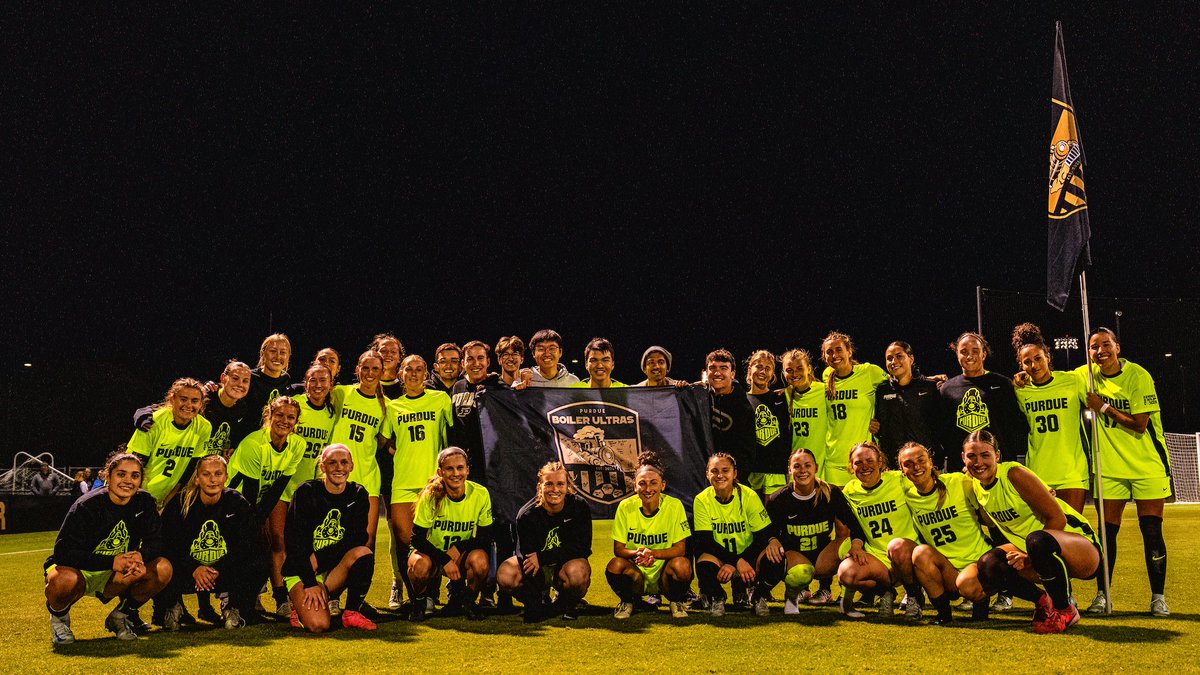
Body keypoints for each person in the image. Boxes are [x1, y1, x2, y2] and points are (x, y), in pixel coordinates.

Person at [963, 431, 1100, 633]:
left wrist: (1030, 557)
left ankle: (1065, 609)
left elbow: (1058, 518)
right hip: (1035, 548)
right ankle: (1043, 602)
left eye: (985, 455)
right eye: (971, 456)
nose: (978, 462)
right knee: (989, 564)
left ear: (997, 456)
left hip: (1079, 546)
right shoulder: (975, 483)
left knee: (1037, 541)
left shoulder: (1013, 474)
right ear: (963, 458)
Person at [1077, 327, 1171, 616]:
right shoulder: (1085, 376)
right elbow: (1052, 379)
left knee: (1151, 531)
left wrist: (1103, 407)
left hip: (1147, 465)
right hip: (1109, 468)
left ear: (1117, 347)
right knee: (1106, 534)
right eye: (1094, 346)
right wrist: (1023, 379)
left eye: (1106, 344)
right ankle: (1103, 595)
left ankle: (1158, 597)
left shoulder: (1138, 376)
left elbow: (1140, 425)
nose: (1100, 351)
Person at [43, 453, 173, 643]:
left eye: (135, 476)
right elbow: (63, 552)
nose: (128, 481)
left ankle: (120, 616)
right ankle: (59, 619)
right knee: (64, 580)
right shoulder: (87, 505)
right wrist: (111, 561)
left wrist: (141, 555)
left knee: (163, 568)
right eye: (121, 474)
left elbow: (157, 541)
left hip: (117, 573)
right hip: (80, 570)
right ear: (108, 476)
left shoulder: (144, 502)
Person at [382, 354, 453, 615]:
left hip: (431, 482)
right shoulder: (393, 407)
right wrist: (395, 450)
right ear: (401, 374)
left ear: (426, 373)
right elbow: (383, 441)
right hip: (402, 482)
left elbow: (452, 435)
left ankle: (431, 595)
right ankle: (414, 597)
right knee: (404, 543)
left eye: (419, 369)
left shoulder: (440, 399)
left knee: (430, 540)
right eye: (408, 369)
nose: (413, 373)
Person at [281, 444, 376, 633]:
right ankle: (298, 608)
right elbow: (294, 541)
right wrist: (310, 582)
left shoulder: (358, 494)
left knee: (363, 552)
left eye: (344, 462)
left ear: (351, 466)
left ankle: (351, 612)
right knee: (319, 625)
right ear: (322, 467)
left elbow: (358, 538)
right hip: (302, 569)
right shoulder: (306, 492)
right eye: (332, 463)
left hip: (329, 568)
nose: (339, 468)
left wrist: (320, 557)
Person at [227, 395, 306, 618]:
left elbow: (278, 486)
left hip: (263, 497)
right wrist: (256, 524)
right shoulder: (254, 444)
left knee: (277, 541)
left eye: (290, 417)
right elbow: (248, 492)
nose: (285, 421)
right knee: (252, 545)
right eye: (279, 415)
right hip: (235, 499)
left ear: (296, 421)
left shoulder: (297, 445)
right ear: (269, 415)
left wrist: (261, 518)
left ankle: (281, 600)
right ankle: (238, 602)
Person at [159, 454, 258, 630]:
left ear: (226, 477)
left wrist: (218, 568)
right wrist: (194, 568)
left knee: (258, 561)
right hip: (187, 572)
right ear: (197, 479)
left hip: (220, 572)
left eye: (218, 474)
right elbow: (168, 544)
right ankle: (172, 606)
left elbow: (247, 543)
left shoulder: (237, 502)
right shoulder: (180, 503)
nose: (213, 480)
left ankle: (233, 607)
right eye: (206, 474)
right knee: (160, 564)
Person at [897, 442, 992, 624]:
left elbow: (989, 502)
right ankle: (943, 614)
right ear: (902, 471)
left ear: (931, 462)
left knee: (968, 585)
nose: (916, 467)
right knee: (920, 553)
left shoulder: (959, 482)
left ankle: (981, 605)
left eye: (921, 460)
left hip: (978, 563)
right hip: (946, 569)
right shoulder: (907, 495)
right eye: (908, 464)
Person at [765, 448, 861, 612]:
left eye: (807, 465)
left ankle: (843, 599)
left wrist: (857, 545)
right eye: (797, 466)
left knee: (848, 543)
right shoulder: (778, 498)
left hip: (823, 558)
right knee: (799, 572)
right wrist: (772, 540)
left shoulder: (831, 493)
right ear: (789, 470)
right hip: (795, 558)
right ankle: (793, 593)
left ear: (816, 467)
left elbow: (854, 524)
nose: (803, 470)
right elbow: (767, 530)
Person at [498, 461, 593, 622]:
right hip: (537, 568)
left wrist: (542, 557)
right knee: (506, 574)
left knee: (578, 573)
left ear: (567, 487)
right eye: (549, 484)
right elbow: (527, 559)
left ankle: (566, 602)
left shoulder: (579, 507)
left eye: (560, 484)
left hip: (563, 564)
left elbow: (582, 548)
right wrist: (533, 606)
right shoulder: (527, 515)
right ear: (540, 487)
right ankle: (541, 600)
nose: (555, 489)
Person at [837, 442, 922, 620]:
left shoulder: (900, 480)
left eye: (870, 461)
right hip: (877, 558)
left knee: (896, 546)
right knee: (846, 573)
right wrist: (856, 546)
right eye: (858, 462)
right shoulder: (850, 491)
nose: (865, 466)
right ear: (851, 466)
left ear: (880, 462)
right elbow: (852, 524)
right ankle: (885, 592)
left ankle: (914, 594)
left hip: (907, 555)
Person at [1010, 324, 1089, 514]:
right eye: (1027, 362)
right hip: (1039, 472)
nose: (1034, 365)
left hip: (1072, 472)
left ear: (1048, 357)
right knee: (1047, 530)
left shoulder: (1072, 381)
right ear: (1021, 366)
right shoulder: (1020, 390)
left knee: (1071, 527)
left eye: (1038, 358)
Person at [408, 447, 493, 621]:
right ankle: (419, 603)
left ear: (467, 470)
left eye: (460, 468)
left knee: (480, 561)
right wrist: (444, 559)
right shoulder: (429, 496)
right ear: (440, 472)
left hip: (460, 557)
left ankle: (467, 601)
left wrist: (459, 547)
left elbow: (486, 537)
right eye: (449, 469)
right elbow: (417, 538)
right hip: (433, 556)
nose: (456, 473)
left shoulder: (480, 494)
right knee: (419, 565)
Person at [692, 452, 783, 617]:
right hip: (721, 557)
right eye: (714, 471)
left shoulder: (749, 496)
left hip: (749, 556)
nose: (720, 475)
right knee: (703, 563)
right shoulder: (701, 500)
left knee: (776, 557)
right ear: (707, 474)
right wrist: (735, 561)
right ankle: (717, 596)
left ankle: (759, 595)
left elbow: (762, 536)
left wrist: (741, 560)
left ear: (734, 473)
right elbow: (706, 542)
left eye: (725, 470)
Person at [605, 451, 692, 619]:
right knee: (615, 565)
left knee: (682, 565)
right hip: (637, 572)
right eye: (642, 483)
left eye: (653, 483)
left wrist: (653, 554)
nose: (648, 489)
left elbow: (680, 549)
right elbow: (619, 549)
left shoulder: (674, 506)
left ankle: (675, 600)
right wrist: (638, 553)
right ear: (635, 486)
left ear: (662, 485)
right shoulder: (625, 507)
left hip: (664, 575)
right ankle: (628, 601)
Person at [939, 332, 1028, 473]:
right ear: (957, 355)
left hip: (998, 467)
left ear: (984, 354)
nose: (969, 356)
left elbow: (1015, 425)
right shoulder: (947, 389)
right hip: (961, 470)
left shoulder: (1003, 384)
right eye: (963, 352)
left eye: (975, 351)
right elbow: (944, 432)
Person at [328, 350, 389, 548]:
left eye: (375, 369)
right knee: (333, 538)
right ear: (357, 369)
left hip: (367, 475)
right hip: (337, 474)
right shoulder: (341, 393)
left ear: (382, 372)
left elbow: (382, 441)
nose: (370, 373)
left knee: (367, 539)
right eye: (365, 368)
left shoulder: (386, 406)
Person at [135, 361, 255, 461]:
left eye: (245, 381)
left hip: (211, 468)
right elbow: (169, 407)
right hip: (183, 460)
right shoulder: (207, 396)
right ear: (223, 378)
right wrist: (143, 413)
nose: (240, 384)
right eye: (235, 378)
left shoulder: (243, 409)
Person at [126, 378, 214, 508]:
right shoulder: (154, 421)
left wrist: (166, 504)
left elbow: (188, 471)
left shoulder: (204, 427)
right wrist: (136, 501)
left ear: (201, 404)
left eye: (194, 401)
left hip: (162, 498)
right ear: (172, 399)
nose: (189, 405)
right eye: (183, 399)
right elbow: (133, 465)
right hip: (132, 493)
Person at [820, 332, 888, 486]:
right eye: (829, 352)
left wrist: (928, 381)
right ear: (824, 357)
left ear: (849, 351)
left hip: (864, 460)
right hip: (834, 460)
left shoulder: (869, 372)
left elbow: (899, 384)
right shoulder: (827, 375)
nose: (834, 355)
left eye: (839, 350)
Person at [875, 341, 945, 467]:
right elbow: (879, 426)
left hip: (927, 464)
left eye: (899, 356)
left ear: (911, 359)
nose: (894, 361)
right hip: (893, 465)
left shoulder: (930, 388)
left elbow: (941, 424)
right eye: (889, 358)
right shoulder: (881, 390)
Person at [744, 350, 792, 497]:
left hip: (777, 471)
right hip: (751, 472)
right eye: (758, 366)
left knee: (775, 511)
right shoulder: (741, 400)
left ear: (772, 374)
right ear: (749, 369)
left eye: (767, 368)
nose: (762, 371)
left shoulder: (782, 397)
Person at [705, 349, 757, 474]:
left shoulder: (744, 407)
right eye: (712, 368)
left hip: (731, 478)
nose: (717, 373)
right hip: (704, 476)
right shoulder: (700, 399)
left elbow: (747, 451)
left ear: (732, 374)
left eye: (723, 368)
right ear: (706, 372)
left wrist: (735, 477)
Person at [781, 349, 828, 464]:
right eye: (789, 370)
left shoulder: (824, 391)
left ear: (809, 369)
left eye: (799, 368)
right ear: (783, 373)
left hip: (822, 462)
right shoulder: (784, 395)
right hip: (797, 462)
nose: (794, 374)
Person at [245, 334, 293, 419]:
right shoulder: (249, 377)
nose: (278, 356)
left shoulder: (286, 379)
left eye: (283, 352)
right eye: (273, 351)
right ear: (262, 353)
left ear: (288, 356)